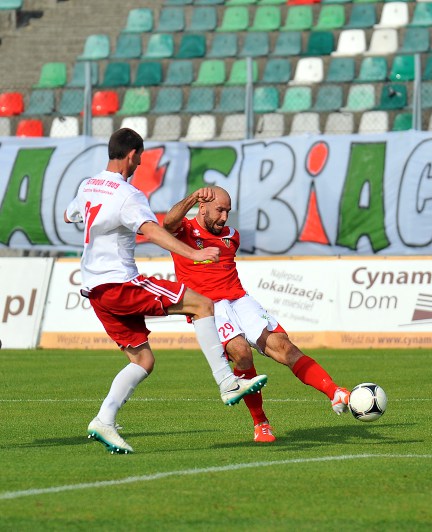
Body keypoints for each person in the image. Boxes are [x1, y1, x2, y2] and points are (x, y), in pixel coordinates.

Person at [64, 129, 267, 454]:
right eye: (140, 158)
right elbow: (153, 231)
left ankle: (104, 419)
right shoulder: (127, 194)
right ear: (133, 155)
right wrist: (195, 254)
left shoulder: (88, 185)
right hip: (119, 283)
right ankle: (227, 383)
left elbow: (69, 214)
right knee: (202, 304)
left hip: (94, 289)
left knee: (143, 359)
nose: (140, 164)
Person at [163, 186, 351, 443]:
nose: (224, 218)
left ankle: (335, 392)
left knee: (284, 347)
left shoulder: (232, 236)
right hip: (208, 307)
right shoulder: (183, 231)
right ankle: (260, 422)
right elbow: (168, 222)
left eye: (228, 211)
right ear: (202, 207)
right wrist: (193, 197)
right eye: (220, 210)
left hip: (240, 300)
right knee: (241, 352)